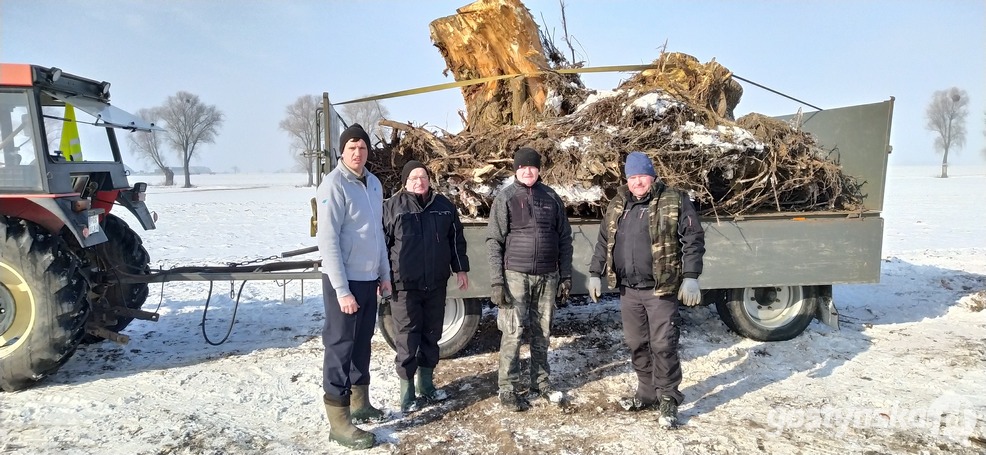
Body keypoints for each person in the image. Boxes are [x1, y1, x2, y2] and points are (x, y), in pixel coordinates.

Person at [587, 151, 705, 430]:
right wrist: (594, 273)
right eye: (632, 177)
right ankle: (647, 393)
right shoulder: (618, 205)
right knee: (636, 342)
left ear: (651, 176)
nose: (637, 182)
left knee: (663, 344)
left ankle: (668, 397)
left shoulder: (675, 199)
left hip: (661, 289)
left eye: (642, 176)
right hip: (629, 290)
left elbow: (694, 238)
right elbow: (604, 241)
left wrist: (691, 276)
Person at [316, 123, 391, 450]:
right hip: (342, 282)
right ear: (342, 153)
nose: (358, 153)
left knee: (362, 342)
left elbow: (378, 235)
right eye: (352, 148)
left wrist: (384, 273)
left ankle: (361, 403)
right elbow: (328, 241)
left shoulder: (373, 184)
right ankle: (340, 422)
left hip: (369, 278)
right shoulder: (333, 185)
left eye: (362, 148)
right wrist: (342, 290)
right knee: (340, 345)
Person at [487, 147, 573, 411]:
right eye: (522, 167)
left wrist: (565, 275)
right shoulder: (506, 197)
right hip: (515, 276)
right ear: (515, 170)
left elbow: (564, 238)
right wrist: (497, 281)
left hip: (548, 276)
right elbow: (494, 241)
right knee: (513, 333)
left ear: (539, 170)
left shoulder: (551, 197)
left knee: (542, 333)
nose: (527, 171)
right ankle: (508, 388)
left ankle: (540, 381)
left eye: (532, 167)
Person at [383, 160, 470, 414]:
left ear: (429, 180)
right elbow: (382, 247)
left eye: (422, 177)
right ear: (405, 183)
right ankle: (407, 393)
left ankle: (427, 386)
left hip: (436, 283)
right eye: (413, 178)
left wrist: (460, 268)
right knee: (407, 337)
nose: (418, 181)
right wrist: (383, 277)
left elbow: (456, 240)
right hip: (404, 286)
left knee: (432, 334)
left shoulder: (444, 207)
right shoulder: (392, 208)